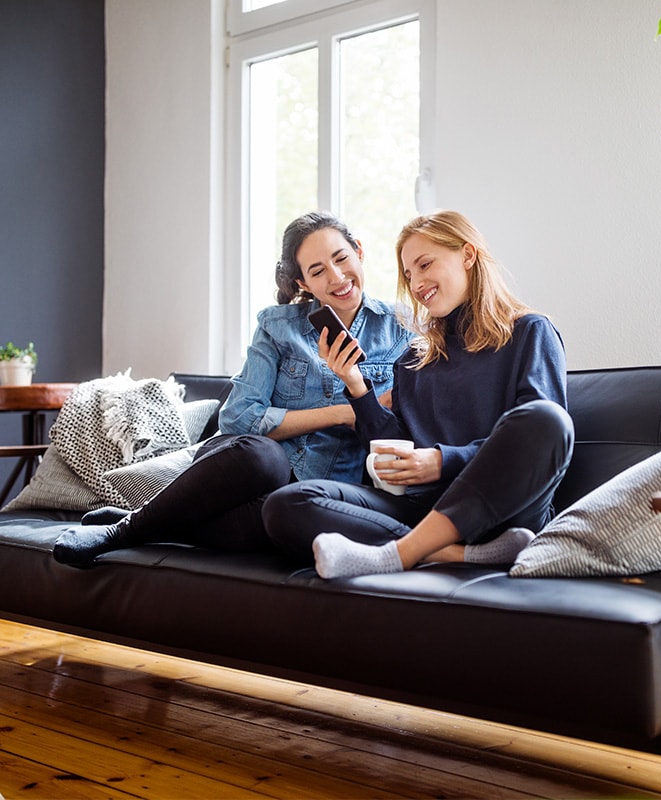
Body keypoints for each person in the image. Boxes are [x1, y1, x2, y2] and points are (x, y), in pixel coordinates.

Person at [52, 210, 413, 566]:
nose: (337, 277)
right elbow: (239, 418)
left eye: (341, 258)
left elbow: (389, 432)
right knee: (265, 458)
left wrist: (359, 402)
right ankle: (123, 532)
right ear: (303, 283)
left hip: (315, 489)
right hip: (244, 469)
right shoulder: (277, 327)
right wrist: (345, 412)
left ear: (359, 252)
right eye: (318, 271)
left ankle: (154, 521)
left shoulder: (403, 331)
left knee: (283, 515)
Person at [262, 210, 575, 578]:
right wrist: (354, 383)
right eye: (409, 275)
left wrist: (441, 462)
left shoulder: (530, 332)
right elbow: (397, 446)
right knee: (287, 504)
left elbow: (538, 442)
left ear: (468, 256)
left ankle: (403, 551)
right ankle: (449, 553)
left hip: (503, 511)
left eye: (425, 265)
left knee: (547, 419)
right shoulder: (415, 355)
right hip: (424, 506)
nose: (417, 283)